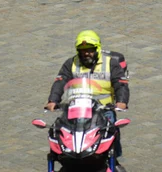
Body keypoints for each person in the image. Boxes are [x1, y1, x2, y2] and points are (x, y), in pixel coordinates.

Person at [45, 30, 129, 170]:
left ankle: (113, 160)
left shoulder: (110, 64)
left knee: (111, 131)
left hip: (103, 109)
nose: (86, 53)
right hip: (77, 108)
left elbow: (120, 84)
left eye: (89, 50)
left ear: (97, 48)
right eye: (82, 50)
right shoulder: (71, 63)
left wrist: (121, 102)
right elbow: (60, 81)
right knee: (61, 131)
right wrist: (53, 100)